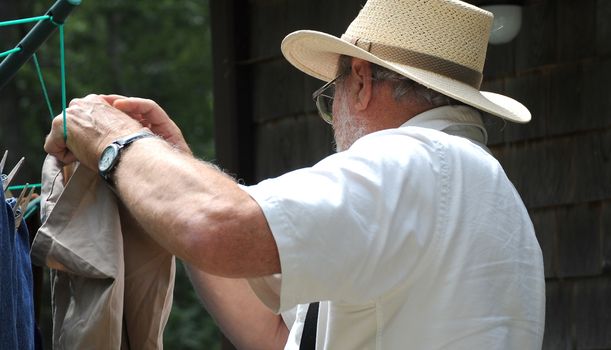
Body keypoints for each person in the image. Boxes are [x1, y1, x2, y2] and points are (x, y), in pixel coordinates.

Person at [44, 0, 545, 349]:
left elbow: (214, 224)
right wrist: (172, 163)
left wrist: (110, 136)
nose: (334, 116)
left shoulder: (415, 161)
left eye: (333, 94)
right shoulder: (470, 189)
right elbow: (279, 336)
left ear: (363, 81)